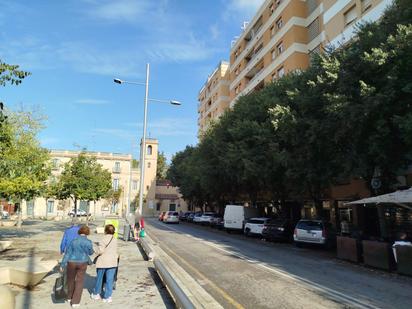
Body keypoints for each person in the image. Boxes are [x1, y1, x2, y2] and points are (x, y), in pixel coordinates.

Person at [61, 225, 94, 308]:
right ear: (87, 233)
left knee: (70, 280)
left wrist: (62, 264)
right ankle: (75, 302)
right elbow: (90, 253)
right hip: (82, 262)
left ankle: (69, 297)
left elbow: (67, 253)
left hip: (71, 262)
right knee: (80, 281)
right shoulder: (88, 242)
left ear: (79, 232)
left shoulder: (73, 241)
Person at [91, 224, 119, 303]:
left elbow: (100, 251)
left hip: (103, 262)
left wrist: (94, 249)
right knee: (109, 280)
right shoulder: (115, 239)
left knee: (99, 278)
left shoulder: (103, 239)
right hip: (112, 262)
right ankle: (108, 297)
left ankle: (96, 294)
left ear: (106, 230)